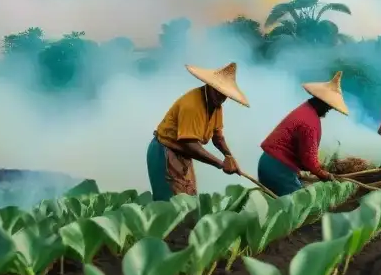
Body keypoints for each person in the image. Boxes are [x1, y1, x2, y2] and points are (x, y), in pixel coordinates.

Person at [146, 62, 248, 199]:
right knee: (172, 204)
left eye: (225, 94)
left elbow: (218, 138)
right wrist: (220, 164)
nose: (221, 97)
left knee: (189, 199)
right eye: (218, 91)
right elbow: (190, 144)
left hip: (182, 154)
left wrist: (229, 157)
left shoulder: (216, 106)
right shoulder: (192, 105)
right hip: (165, 151)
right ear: (210, 86)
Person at [257, 71, 349, 197]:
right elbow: (309, 159)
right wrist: (323, 174)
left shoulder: (305, 109)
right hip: (278, 169)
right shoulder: (310, 122)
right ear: (322, 102)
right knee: (301, 205)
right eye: (328, 107)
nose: (328, 110)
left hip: (268, 162)